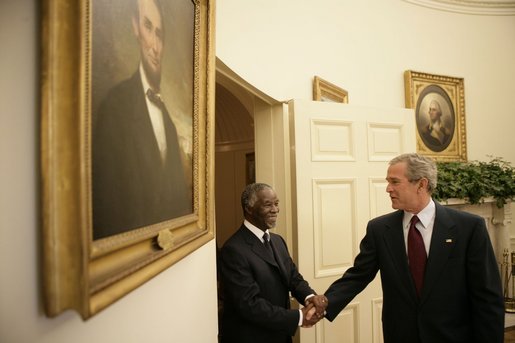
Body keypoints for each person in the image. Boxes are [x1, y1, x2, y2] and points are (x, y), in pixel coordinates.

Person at [313, 153, 504, 342]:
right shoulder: (379, 229)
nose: (388, 189)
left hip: (453, 335)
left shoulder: (468, 228)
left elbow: (487, 296)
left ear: (421, 184)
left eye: (395, 182)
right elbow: (358, 276)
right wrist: (325, 303)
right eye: (388, 182)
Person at [92, 0, 191, 240]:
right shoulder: (114, 106)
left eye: (160, 35)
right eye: (148, 28)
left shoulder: (167, 119)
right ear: (135, 27)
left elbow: (177, 199)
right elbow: (106, 203)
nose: (155, 46)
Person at [219, 183, 326, 343]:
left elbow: (293, 277)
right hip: (252, 337)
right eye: (268, 204)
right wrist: (299, 317)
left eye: (276, 203)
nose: (275, 209)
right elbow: (249, 305)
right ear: (249, 208)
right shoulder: (233, 250)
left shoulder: (277, 241)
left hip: (280, 335)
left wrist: (310, 297)